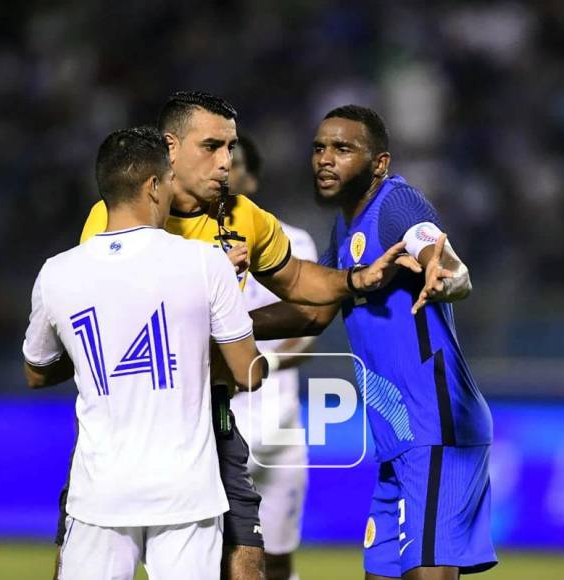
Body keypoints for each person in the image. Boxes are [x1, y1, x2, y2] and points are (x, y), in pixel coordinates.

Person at [67, 92, 410, 580]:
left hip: (214, 414)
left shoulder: (243, 216)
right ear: (170, 147)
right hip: (126, 419)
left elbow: (296, 281)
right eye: (212, 146)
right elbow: (108, 320)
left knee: (250, 558)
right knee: (86, 559)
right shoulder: (116, 217)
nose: (226, 161)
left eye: (229, 147)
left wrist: (356, 279)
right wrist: (204, 280)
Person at [249, 105, 498, 579]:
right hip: (396, 445)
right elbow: (313, 310)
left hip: (436, 432)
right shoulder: (344, 229)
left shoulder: (394, 203)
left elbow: (431, 244)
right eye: (320, 148)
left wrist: (441, 270)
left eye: (343, 149)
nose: (325, 159)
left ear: (379, 163)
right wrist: (227, 323)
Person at [23, 126, 266, 580]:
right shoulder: (205, 263)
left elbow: (36, 372)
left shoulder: (56, 273)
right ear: (154, 185)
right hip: (186, 495)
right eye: (169, 181)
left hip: (98, 494)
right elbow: (248, 372)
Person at [228, 134, 317, 580]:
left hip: (278, 427)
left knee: (278, 558)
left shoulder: (293, 242)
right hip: (216, 425)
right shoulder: (181, 246)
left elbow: (307, 327)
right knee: (213, 558)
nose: (226, 172)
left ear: (254, 178)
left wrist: (262, 364)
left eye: (236, 163)